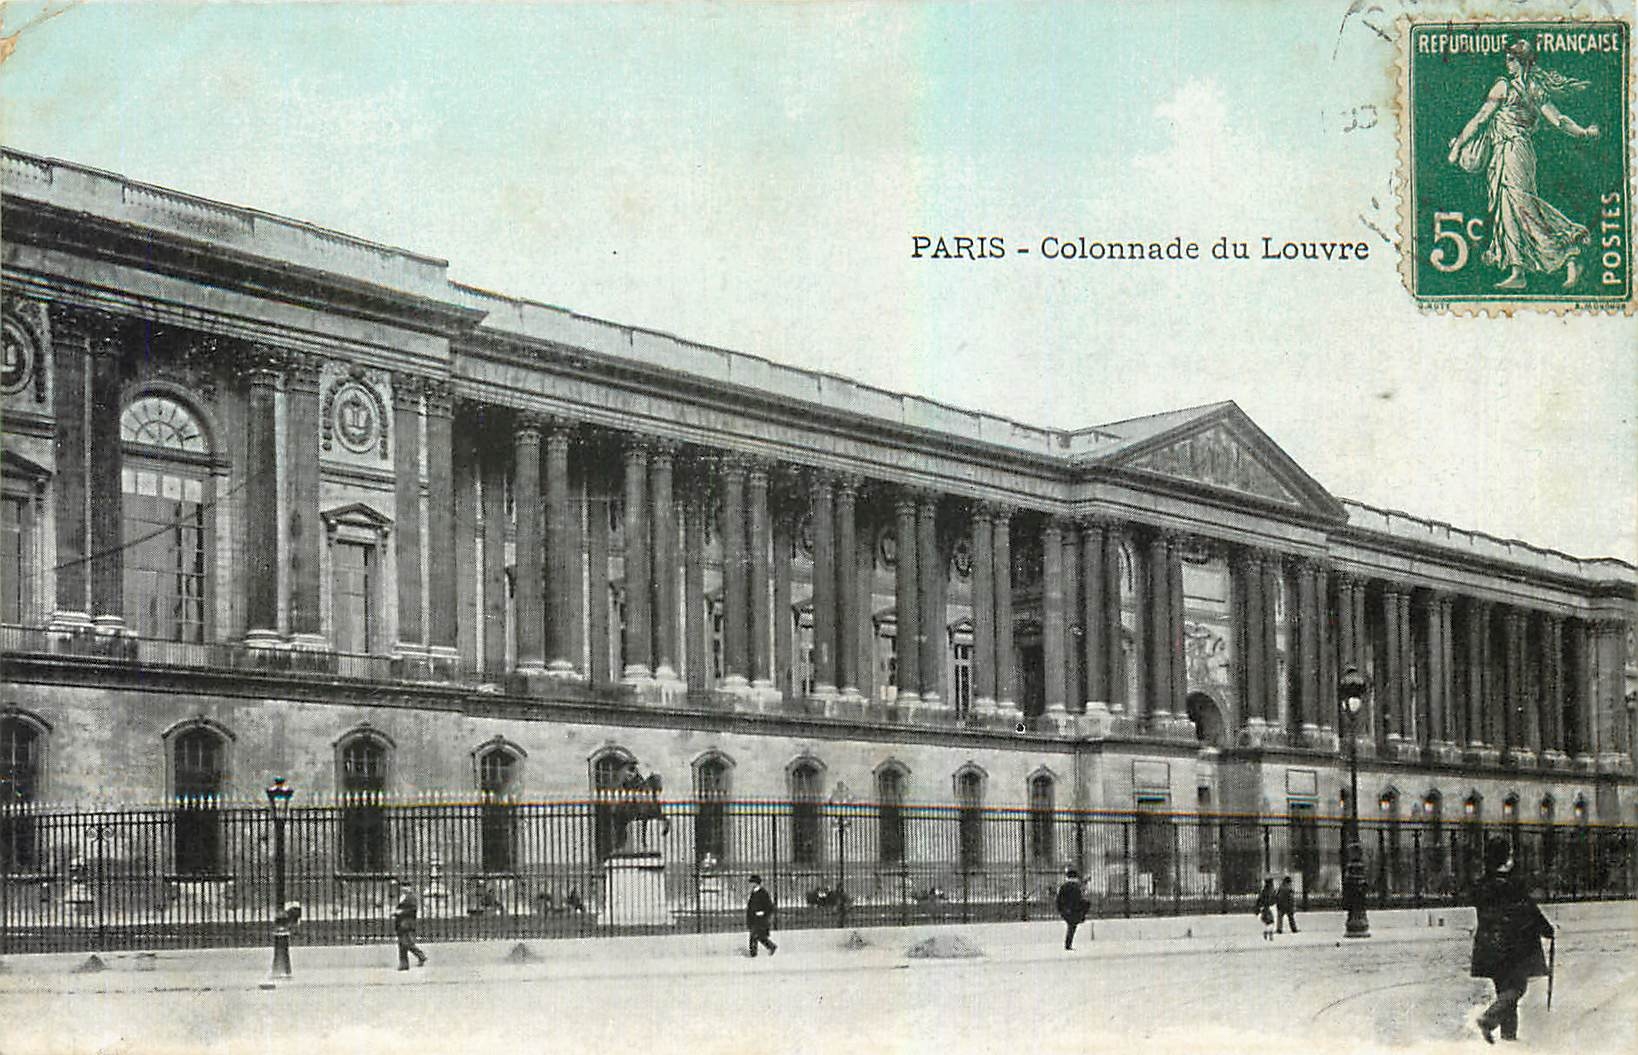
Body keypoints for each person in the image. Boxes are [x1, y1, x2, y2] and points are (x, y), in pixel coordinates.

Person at [1446, 39, 1600, 291]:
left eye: (1511, 59)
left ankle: (1569, 252)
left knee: (1521, 207)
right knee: (1514, 209)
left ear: (1522, 61)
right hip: (1517, 152)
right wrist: (1582, 132)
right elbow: (1559, 120)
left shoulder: (1503, 87)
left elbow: (1480, 119)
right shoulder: (1535, 88)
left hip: (1512, 152)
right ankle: (1519, 270)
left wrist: (1457, 146)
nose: (1507, 63)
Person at [1470, 835, 1554, 1044]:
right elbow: (1529, 910)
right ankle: (1489, 1019)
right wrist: (1547, 929)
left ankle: (1509, 1040)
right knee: (1517, 988)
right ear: (1506, 857)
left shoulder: (1482, 884)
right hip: (1513, 946)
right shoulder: (1513, 884)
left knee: (1504, 991)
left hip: (1489, 945)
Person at [393, 882, 428, 971]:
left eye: (406, 886)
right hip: (401, 922)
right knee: (402, 943)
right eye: (403, 886)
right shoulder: (403, 897)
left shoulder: (411, 897)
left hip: (407, 922)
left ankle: (420, 956)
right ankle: (404, 964)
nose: (404, 888)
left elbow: (412, 909)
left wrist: (400, 912)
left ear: (410, 887)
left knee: (406, 943)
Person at [1055, 867, 1090, 951]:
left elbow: (1059, 899)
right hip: (1074, 910)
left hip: (1066, 910)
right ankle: (1068, 944)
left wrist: (1061, 909)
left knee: (1071, 926)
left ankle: (1068, 944)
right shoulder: (1076, 887)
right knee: (1072, 927)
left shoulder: (1063, 886)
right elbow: (1079, 899)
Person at [745, 874, 777, 958]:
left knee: (754, 935)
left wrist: (763, 912)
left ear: (756, 883)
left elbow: (769, 906)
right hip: (753, 918)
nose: (750, 884)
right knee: (760, 936)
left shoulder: (763, 893)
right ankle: (771, 946)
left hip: (761, 919)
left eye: (752, 882)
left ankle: (753, 953)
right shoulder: (753, 892)